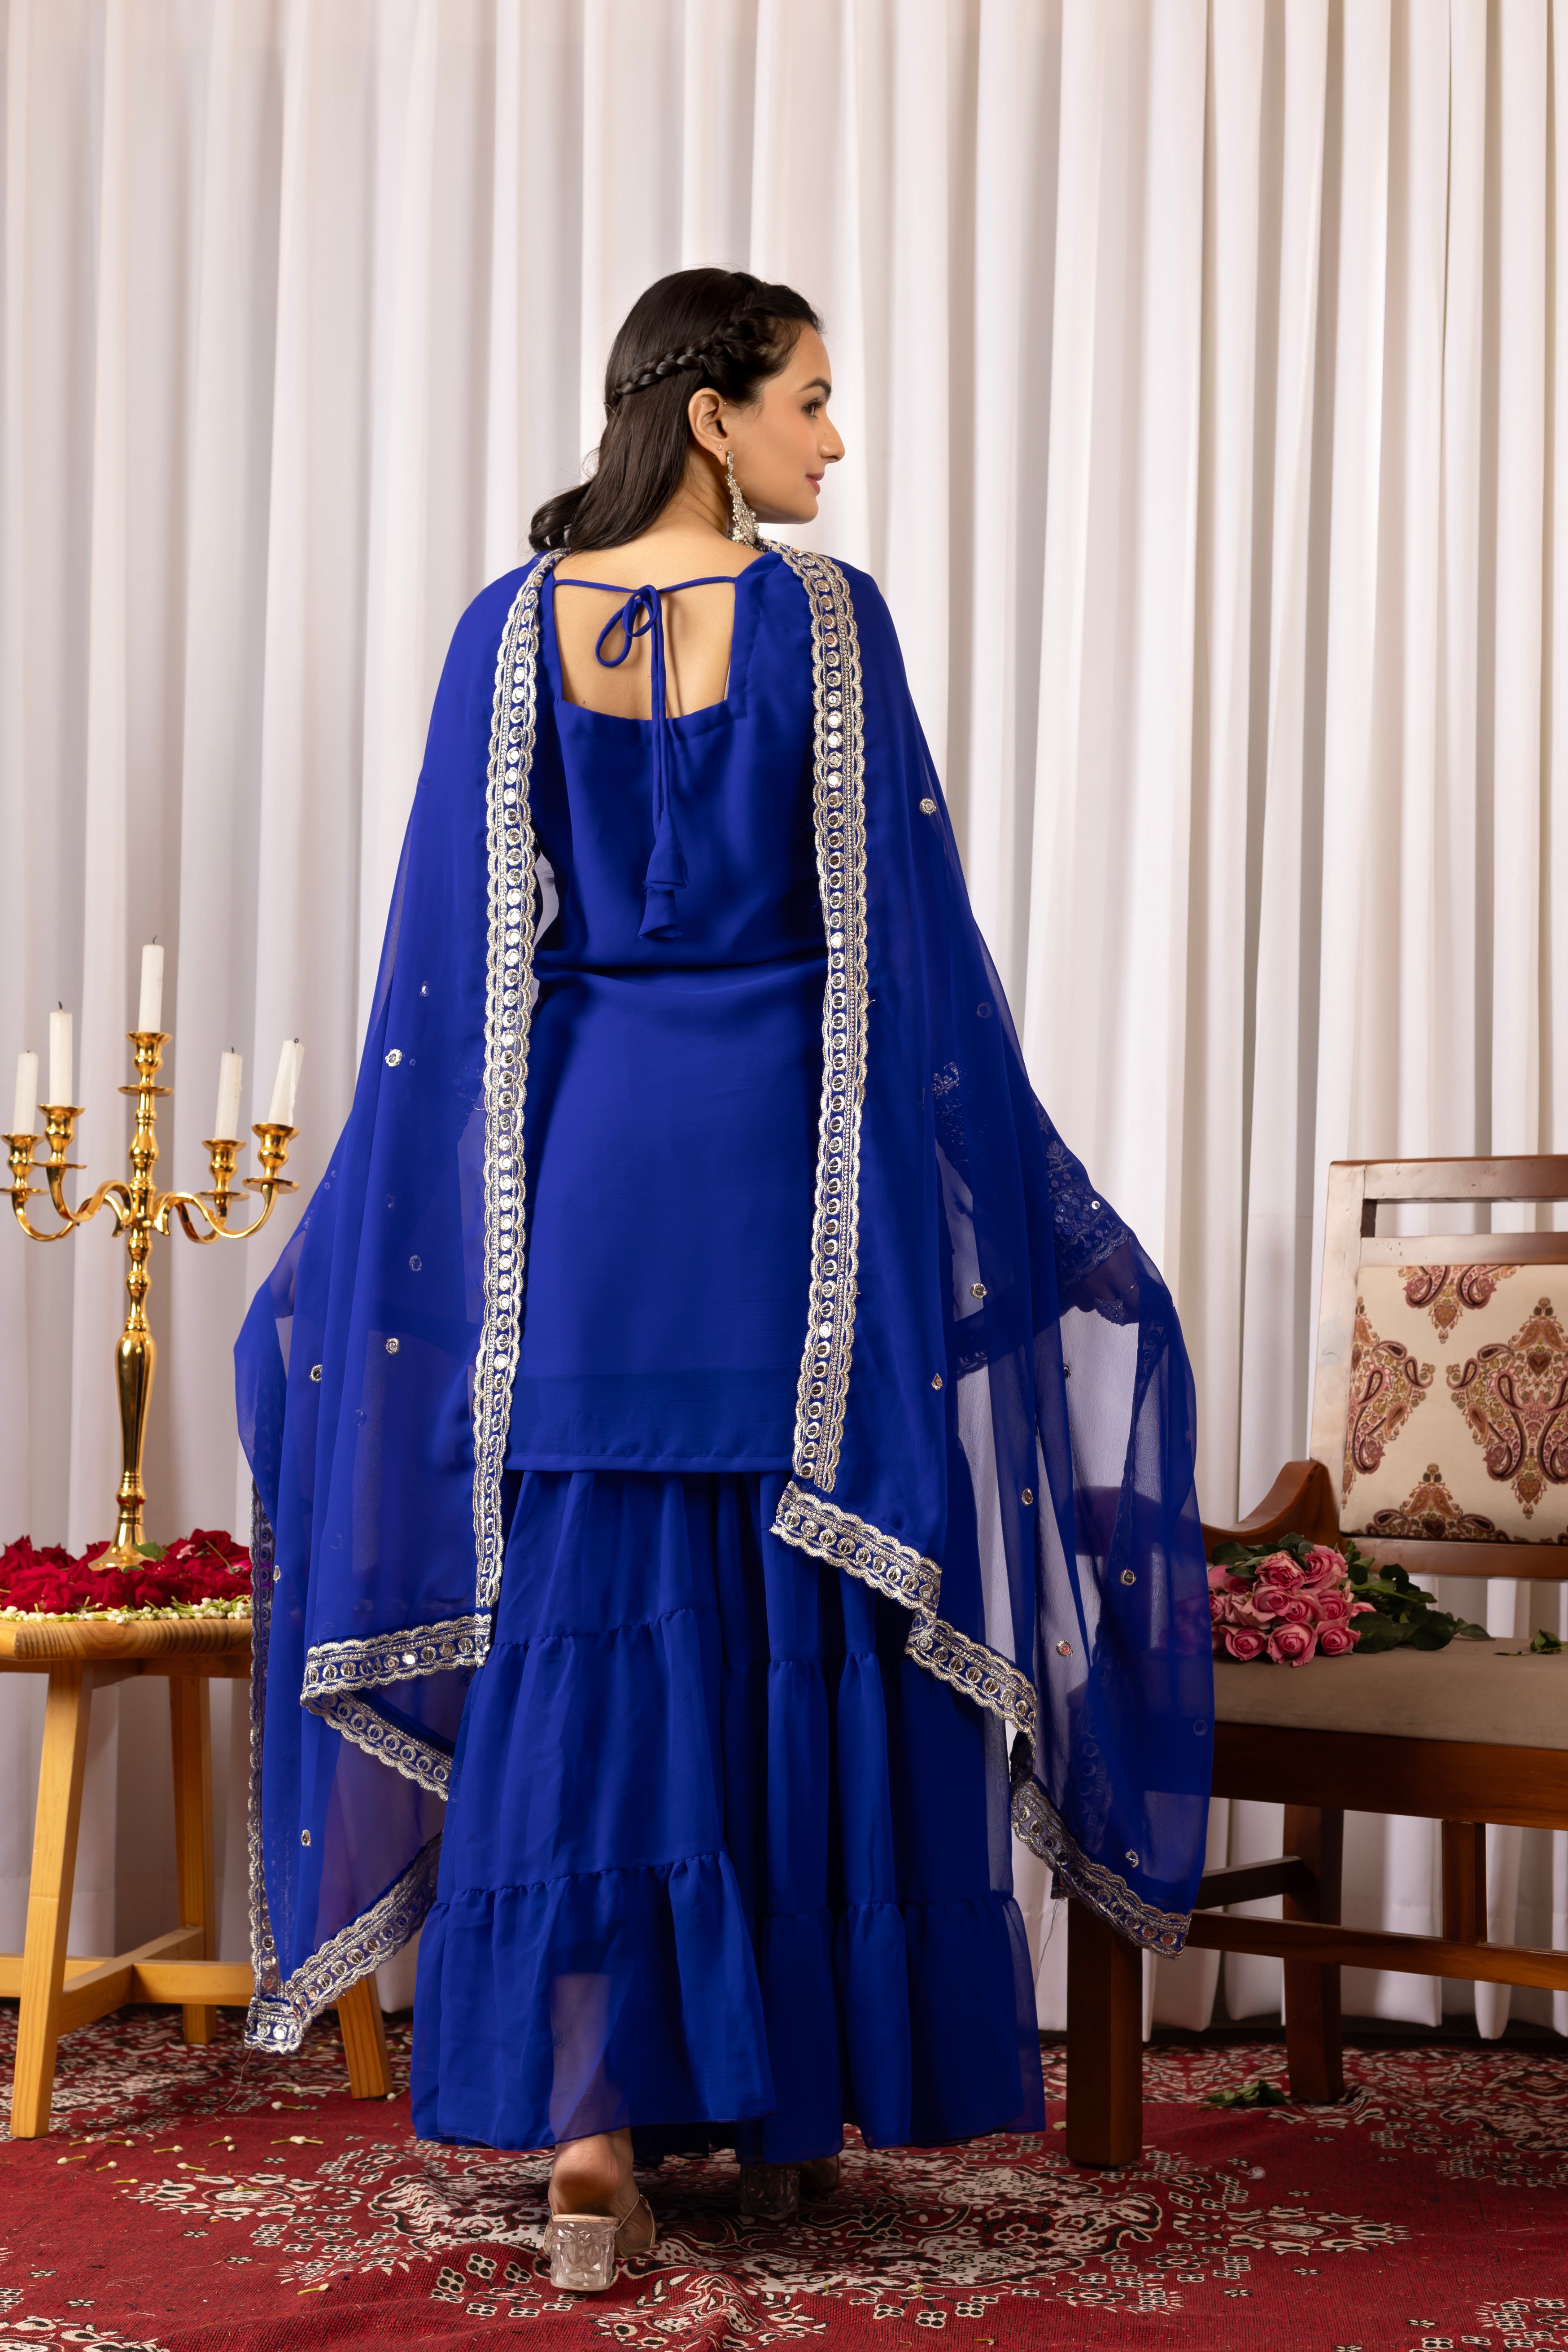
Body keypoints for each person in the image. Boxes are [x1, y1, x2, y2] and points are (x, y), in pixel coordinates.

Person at [236, 267, 1214, 2292]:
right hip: (781, 1173)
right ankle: (772, 2101)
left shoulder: (508, 638)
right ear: (711, 414)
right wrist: (1024, 1206)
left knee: (595, 1599)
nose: (832, 443)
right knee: (784, 1581)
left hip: (586, 1170)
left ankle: (594, 2133)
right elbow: (914, 961)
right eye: (813, 402)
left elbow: (450, 973)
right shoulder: (826, 632)